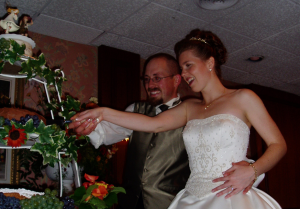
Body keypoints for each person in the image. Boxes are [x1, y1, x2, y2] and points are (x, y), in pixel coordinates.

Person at [70, 29, 287, 209]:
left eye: (188, 65)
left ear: (210, 63)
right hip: (193, 198)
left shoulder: (243, 98)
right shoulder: (190, 107)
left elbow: (278, 145)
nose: (183, 74)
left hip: (231, 196)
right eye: (181, 68)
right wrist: (103, 113)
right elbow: (153, 124)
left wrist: (253, 170)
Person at [70, 53, 191, 209]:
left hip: (170, 205)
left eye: (157, 78)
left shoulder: (191, 116)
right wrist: (88, 126)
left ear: (176, 80)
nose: (150, 85)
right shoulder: (135, 109)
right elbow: (106, 133)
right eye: (146, 79)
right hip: (130, 203)